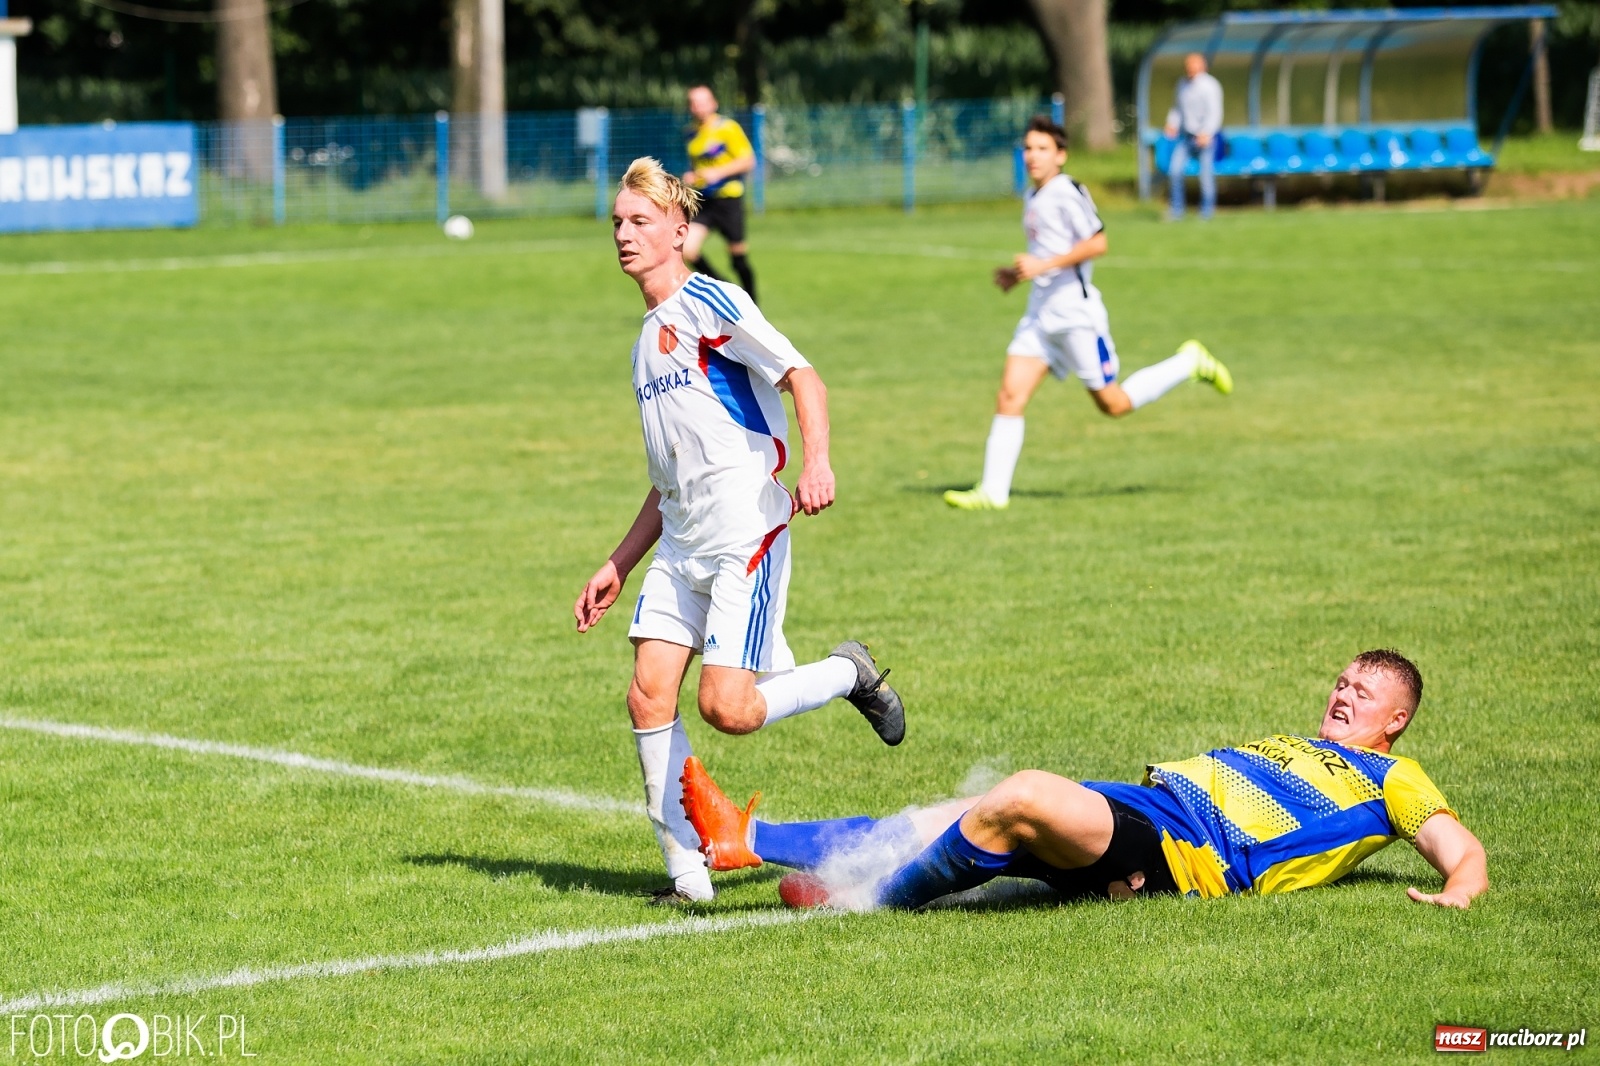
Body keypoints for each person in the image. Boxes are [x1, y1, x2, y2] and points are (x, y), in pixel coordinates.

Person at [575, 157, 907, 906]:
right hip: (683, 540)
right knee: (646, 697)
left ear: (680, 231)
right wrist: (619, 563)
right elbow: (668, 481)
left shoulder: (707, 302)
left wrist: (816, 462)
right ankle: (689, 879)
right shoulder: (644, 340)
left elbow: (802, 376)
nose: (625, 236)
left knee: (728, 710)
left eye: (640, 222)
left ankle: (849, 672)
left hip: (743, 532)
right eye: (618, 223)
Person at [681, 650, 1489, 912]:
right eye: (1343, 682)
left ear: (1396, 721)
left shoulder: (1392, 777)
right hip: (1151, 806)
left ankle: (864, 900)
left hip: (1191, 854)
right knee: (957, 810)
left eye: (1365, 693)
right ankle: (747, 839)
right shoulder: (1294, 743)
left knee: (1023, 793)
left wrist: (1459, 887)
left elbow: (1461, 850)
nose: (1344, 695)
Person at [944, 116, 1233, 512]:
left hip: (1077, 319)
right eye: (1028, 148)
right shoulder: (1033, 197)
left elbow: (1098, 244)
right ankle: (994, 492)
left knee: (1113, 404)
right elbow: (1048, 253)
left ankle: (1188, 362)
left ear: (1060, 156)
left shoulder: (1068, 191)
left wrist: (1042, 267)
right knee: (1010, 393)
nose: (1032, 155)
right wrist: (1017, 275)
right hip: (1040, 318)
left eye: (1042, 148)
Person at [681, 85, 759, 303]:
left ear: (714, 103)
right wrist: (693, 176)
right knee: (687, 250)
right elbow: (699, 165)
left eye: (703, 101)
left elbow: (748, 161)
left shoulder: (728, 128)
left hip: (729, 199)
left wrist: (718, 172)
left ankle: (753, 304)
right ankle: (724, 289)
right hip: (704, 201)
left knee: (738, 258)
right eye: (694, 103)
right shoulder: (690, 133)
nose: (698, 107)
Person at [1163, 52, 1224, 222]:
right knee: (1175, 171)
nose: (1190, 69)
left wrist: (1207, 132)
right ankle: (1177, 210)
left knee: (1205, 176)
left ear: (1202, 66)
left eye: (1193, 65)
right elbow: (1177, 108)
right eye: (1187, 65)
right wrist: (1172, 124)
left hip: (1205, 137)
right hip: (1186, 136)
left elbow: (1215, 113)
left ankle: (1206, 211)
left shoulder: (1210, 86)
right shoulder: (1181, 84)